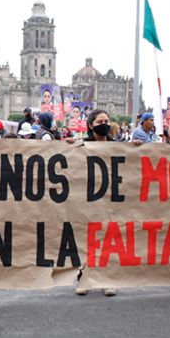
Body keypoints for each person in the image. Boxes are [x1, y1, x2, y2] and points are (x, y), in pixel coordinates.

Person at [74, 109, 116, 297]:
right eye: (100, 122)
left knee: (108, 239)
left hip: (109, 198)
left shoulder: (118, 146)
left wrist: (138, 147)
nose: (104, 124)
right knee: (86, 239)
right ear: (91, 126)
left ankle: (108, 279)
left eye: (106, 121)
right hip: (87, 199)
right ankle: (84, 279)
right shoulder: (82, 145)